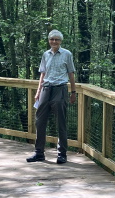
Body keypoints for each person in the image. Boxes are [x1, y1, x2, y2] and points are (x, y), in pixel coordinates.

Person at [27, 29, 77, 164]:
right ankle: (39, 153)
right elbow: (42, 74)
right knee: (39, 121)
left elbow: (71, 73)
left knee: (61, 122)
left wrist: (73, 92)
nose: (54, 42)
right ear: (49, 41)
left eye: (57, 39)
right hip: (46, 89)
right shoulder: (46, 55)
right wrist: (38, 91)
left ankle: (62, 154)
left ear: (60, 41)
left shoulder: (67, 54)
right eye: (52, 39)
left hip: (60, 89)